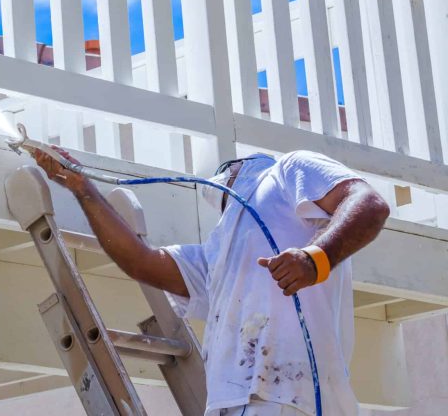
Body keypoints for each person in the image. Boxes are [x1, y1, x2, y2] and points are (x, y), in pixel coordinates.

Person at [33, 148, 390, 416]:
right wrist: (82, 188)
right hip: (229, 404)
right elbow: (142, 262)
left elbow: (369, 203)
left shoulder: (287, 170)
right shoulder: (217, 254)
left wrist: (316, 258)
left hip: (292, 398)